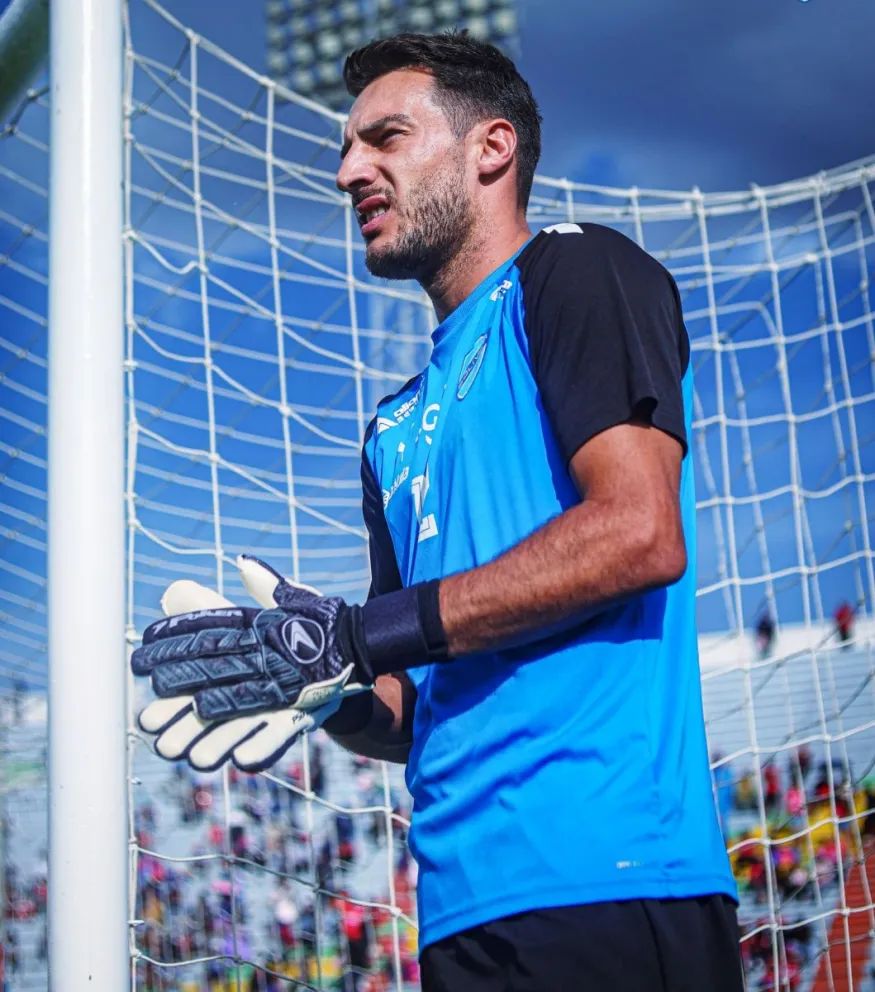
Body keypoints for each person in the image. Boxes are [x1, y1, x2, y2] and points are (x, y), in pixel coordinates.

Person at [133, 30, 742, 992]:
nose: (346, 172)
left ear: (489, 148)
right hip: (458, 911)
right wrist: (320, 679)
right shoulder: (390, 425)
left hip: (610, 879)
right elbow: (407, 704)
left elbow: (637, 532)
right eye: (345, 148)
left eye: (384, 138)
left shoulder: (574, 273)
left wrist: (362, 632)